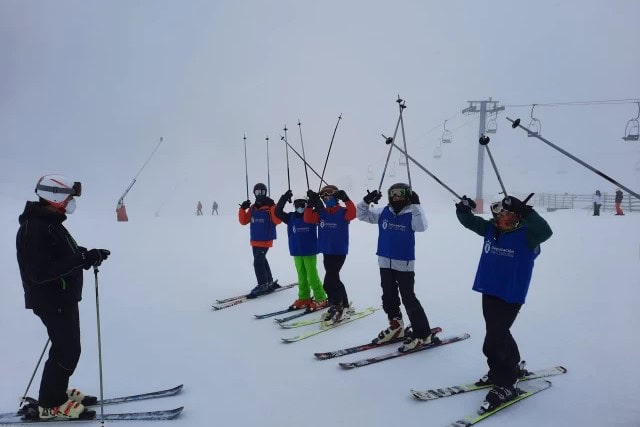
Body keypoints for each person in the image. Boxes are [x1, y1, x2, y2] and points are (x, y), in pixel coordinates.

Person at [16, 175, 111, 420]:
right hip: (51, 299)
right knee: (67, 350)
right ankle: (51, 402)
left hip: (62, 297)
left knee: (66, 348)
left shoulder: (49, 223)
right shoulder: (34, 228)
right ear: (55, 197)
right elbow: (38, 272)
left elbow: (60, 255)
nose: (70, 201)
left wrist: (86, 255)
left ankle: (55, 389)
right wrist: (79, 260)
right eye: (68, 196)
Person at [455, 194, 552, 412]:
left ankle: (506, 383)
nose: (502, 218)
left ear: (517, 216)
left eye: (508, 214)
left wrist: (528, 212)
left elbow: (546, 232)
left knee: (493, 340)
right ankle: (511, 366)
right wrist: (462, 209)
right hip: (489, 289)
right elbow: (470, 221)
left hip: (510, 294)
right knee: (498, 332)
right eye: (499, 213)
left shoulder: (528, 235)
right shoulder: (491, 229)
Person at [356, 183, 438, 352]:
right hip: (385, 262)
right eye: (393, 194)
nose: (396, 197)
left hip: (404, 264)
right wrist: (366, 201)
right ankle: (396, 325)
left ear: (407, 195)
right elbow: (362, 215)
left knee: (408, 298)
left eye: (401, 194)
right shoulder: (384, 211)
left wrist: (416, 205)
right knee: (388, 296)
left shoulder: (411, 213)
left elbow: (422, 227)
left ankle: (423, 334)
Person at [304, 185, 356, 323]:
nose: (327, 199)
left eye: (329, 196)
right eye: (324, 197)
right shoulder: (322, 213)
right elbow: (308, 219)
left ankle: (336, 305)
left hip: (339, 251)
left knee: (328, 283)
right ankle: (344, 304)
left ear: (336, 197)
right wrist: (310, 204)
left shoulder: (343, 211)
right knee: (335, 279)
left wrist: (346, 199)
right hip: (327, 251)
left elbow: (353, 213)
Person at [275, 190, 328, 311]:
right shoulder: (290, 217)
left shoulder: (311, 216)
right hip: (297, 251)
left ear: (306, 205)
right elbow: (277, 212)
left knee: (312, 276)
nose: (300, 207)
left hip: (309, 251)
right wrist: (284, 198)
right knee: (302, 276)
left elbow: (321, 210)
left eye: (302, 204)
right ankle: (304, 297)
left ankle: (321, 298)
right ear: (294, 206)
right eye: (297, 205)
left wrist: (315, 199)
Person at [238, 183, 282, 298]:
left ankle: (262, 284)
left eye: (262, 192)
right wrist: (243, 208)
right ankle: (269, 281)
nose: (260, 194)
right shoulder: (253, 208)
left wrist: (273, 206)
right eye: (257, 192)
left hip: (266, 239)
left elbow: (277, 220)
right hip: (255, 240)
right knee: (262, 261)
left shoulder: (269, 207)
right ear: (254, 193)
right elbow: (243, 221)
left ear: (266, 192)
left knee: (257, 262)